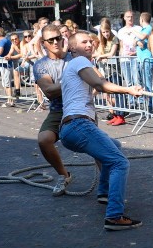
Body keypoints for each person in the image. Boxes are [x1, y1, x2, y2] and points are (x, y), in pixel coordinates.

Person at [59, 31, 144, 231]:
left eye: (91, 41)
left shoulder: (77, 66)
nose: (90, 44)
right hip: (78, 125)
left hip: (70, 128)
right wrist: (129, 89)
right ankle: (114, 216)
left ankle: (104, 192)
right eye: (83, 42)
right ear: (72, 48)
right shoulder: (79, 62)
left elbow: (95, 87)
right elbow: (100, 85)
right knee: (119, 162)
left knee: (114, 146)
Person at [33, 24, 73, 196]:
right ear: (43, 43)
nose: (56, 42)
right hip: (58, 110)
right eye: (51, 40)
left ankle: (105, 183)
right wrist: (74, 81)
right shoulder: (40, 65)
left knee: (95, 145)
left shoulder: (74, 58)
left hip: (79, 107)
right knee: (44, 139)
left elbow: (96, 80)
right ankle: (64, 175)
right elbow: (49, 91)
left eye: (59, 38)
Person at [95, 18, 124, 126]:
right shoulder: (102, 41)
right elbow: (97, 52)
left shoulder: (115, 39)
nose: (106, 34)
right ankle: (115, 115)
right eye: (103, 32)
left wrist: (101, 56)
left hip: (115, 71)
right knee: (110, 94)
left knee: (118, 94)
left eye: (107, 31)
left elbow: (111, 53)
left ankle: (121, 116)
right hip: (106, 71)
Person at [0, 27, 16, 106]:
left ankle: (10, 101)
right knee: (5, 82)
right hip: (6, 64)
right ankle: (9, 98)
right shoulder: (7, 40)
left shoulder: (2, 41)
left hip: (5, 65)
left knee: (7, 83)